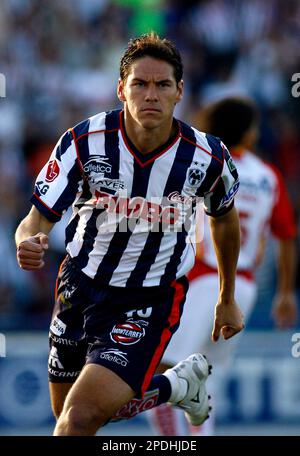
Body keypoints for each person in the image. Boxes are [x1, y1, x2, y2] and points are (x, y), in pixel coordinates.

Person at [15, 33, 244, 436]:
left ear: (179, 92)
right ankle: (174, 384)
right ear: (121, 89)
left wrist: (227, 298)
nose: (150, 94)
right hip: (79, 288)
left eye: (162, 85)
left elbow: (224, 218)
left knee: (79, 419)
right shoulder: (83, 142)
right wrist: (27, 241)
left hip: (149, 299)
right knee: (68, 414)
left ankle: (169, 383)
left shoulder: (207, 157)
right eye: (140, 84)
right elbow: (36, 219)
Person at [148, 96, 298, 436]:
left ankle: (170, 442)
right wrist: (286, 293)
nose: (258, 133)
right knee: (203, 383)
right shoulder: (268, 175)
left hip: (205, 282)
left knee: (162, 372)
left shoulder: (204, 162)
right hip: (243, 287)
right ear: (245, 131)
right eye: (254, 127)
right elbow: (287, 235)